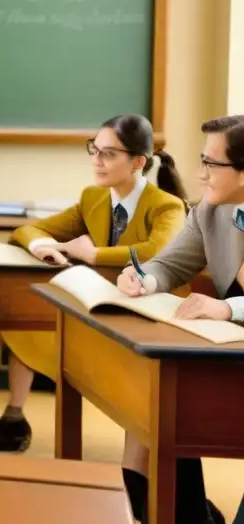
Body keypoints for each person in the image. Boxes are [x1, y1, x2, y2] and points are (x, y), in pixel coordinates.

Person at [0, 114, 219, 523]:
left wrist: (92, 253)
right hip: (109, 315)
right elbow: (29, 229)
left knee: (144, 413)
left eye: (108, 153)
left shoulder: (165, 204)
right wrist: (45, 246)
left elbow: (156, 252)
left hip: (158, 323)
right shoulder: (93, 198)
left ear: (138, 163)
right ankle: (146, 500)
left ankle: (165, 505)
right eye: (93, 150)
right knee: (128, 406)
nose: (96, 160)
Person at [119, 115, 244, 524]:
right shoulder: (211, 212)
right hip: (231, 355)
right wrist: (144, 278)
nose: (198, 173)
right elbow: (171, 264)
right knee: (158, 404)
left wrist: (227, 308)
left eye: (211, 163)